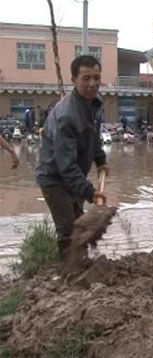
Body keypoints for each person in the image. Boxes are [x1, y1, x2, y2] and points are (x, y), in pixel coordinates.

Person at [35, 55, 108, 260]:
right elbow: (65, 166)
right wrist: (91, 193)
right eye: (86, 78)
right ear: (73, 80)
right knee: (67, 228)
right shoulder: (67, 114)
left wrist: (101, 159)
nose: (92, 83)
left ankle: (81, 263)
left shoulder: (95, 103)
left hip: (74, 175)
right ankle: (69, 273)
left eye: (96, 77)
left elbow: (93, 135)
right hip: (54, 177)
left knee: (80, 221)